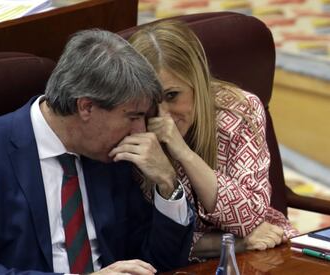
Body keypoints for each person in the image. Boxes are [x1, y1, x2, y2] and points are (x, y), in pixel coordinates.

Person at [0, 29, 195, 275]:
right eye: (133, 116)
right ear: (86, 107)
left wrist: (167, 185)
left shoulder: (113, 155)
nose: (140, 131)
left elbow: (160, 263)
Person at [125, 20, 298, 260]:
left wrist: (183, 153)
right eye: (149, 101)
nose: (162, 116)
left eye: (172, 95)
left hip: (263, 251)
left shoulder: (240, 109)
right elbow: (145, 241)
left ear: (198, 82)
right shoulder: (129, 127)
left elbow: (250, 217)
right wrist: (236, 243)